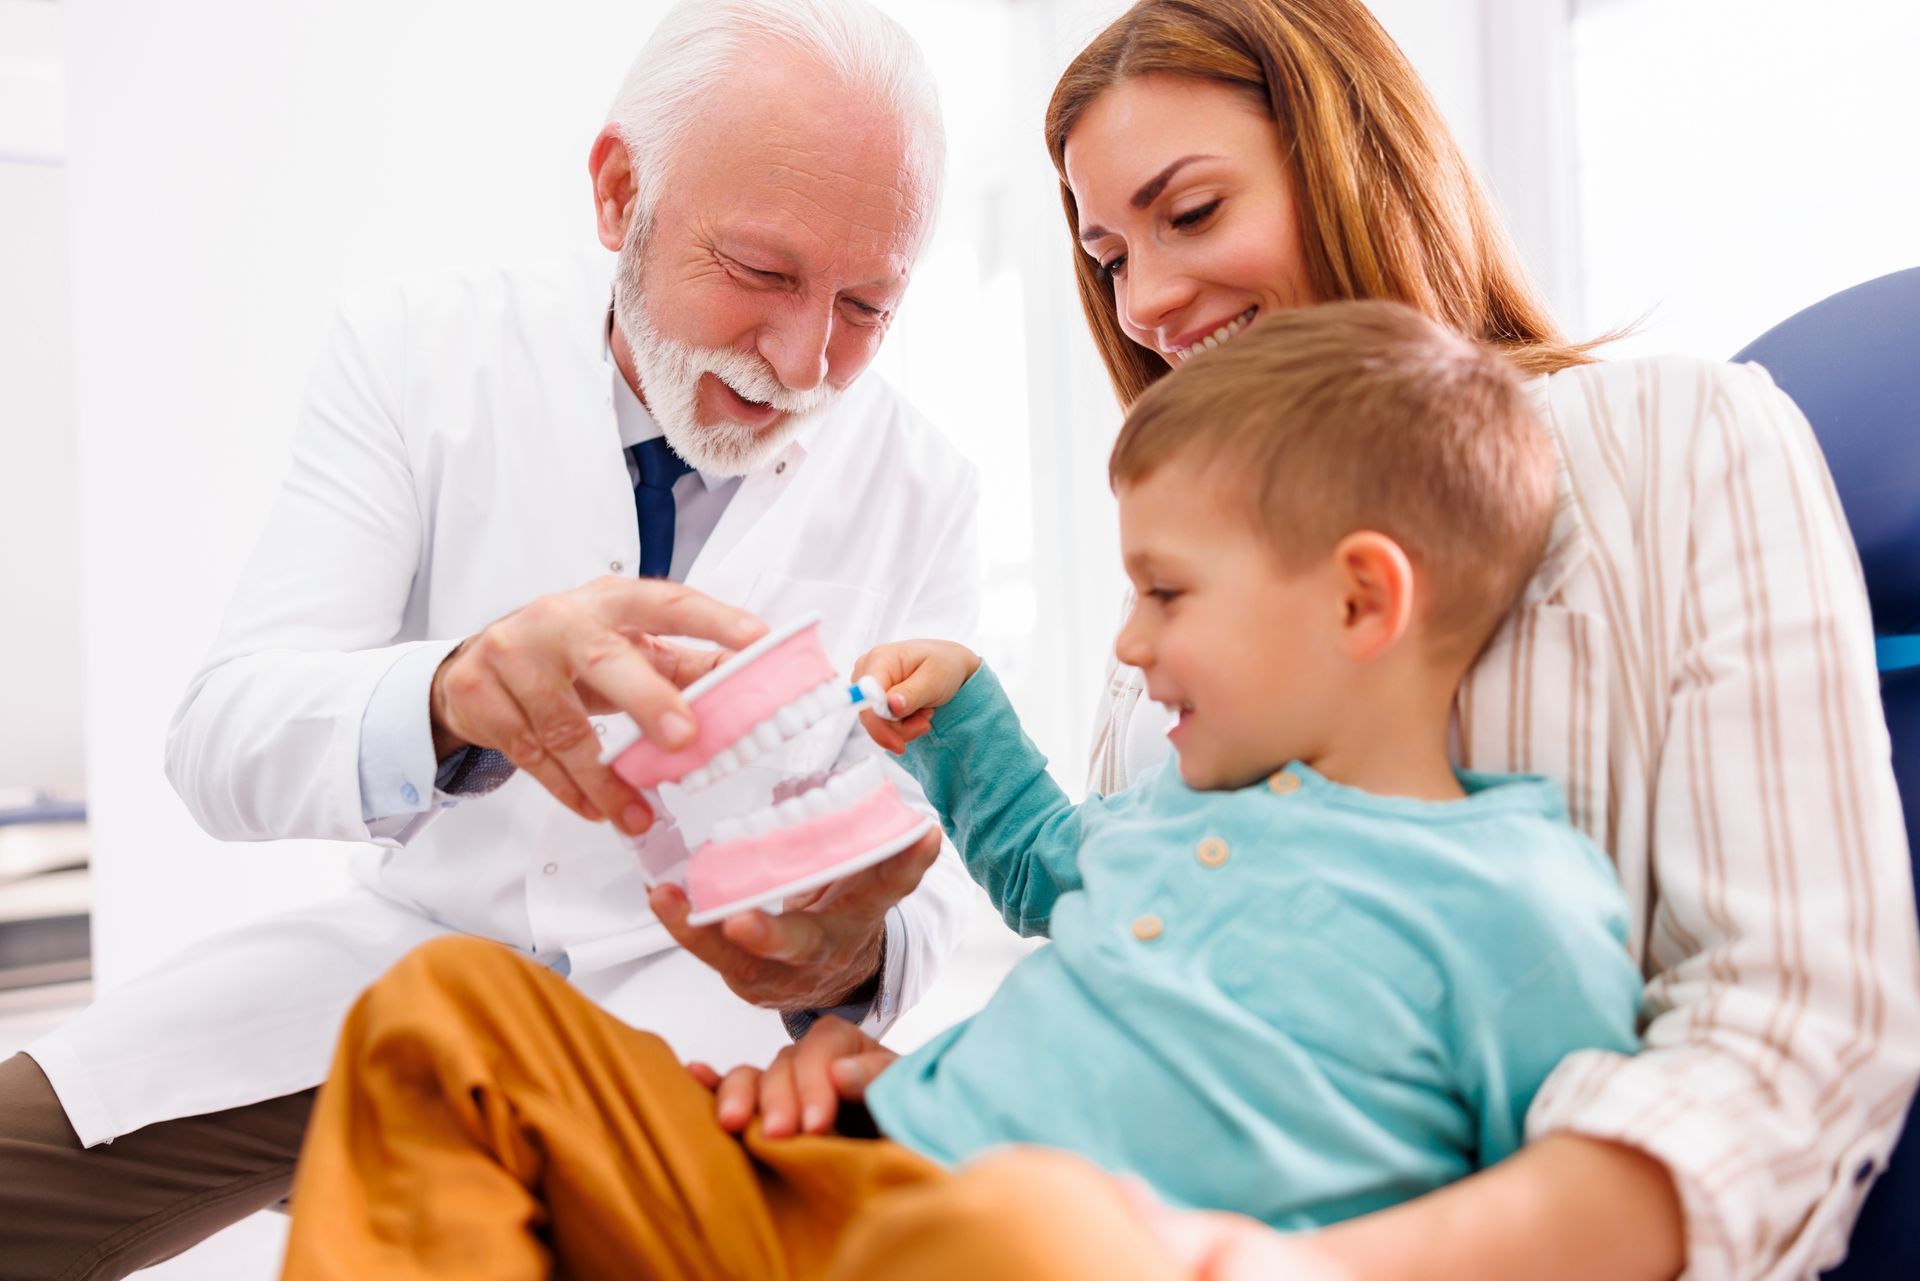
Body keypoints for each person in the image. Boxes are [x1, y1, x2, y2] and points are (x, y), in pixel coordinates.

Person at [275, 300, 1645, 1280]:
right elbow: (1046, 858)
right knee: (446, 1015)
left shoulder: (1516, 904)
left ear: (1361, 600)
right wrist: (966, 715)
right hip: (835, 1177)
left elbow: (1566, 1209)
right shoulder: (1176, 809)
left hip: (1032, 1248)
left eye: (1166, 593)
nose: (1128, 640)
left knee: (1030, 1231)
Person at [0, 3, 984, 1276]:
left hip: (693, 1052)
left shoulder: (923, 485)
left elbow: (935, 883)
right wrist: (453, 697)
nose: (804, 359)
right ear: (620, 191)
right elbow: (221, 738)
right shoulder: (421, 356)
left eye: (866, 305)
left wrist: (852, 958)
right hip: (373, 994)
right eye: (761, 273)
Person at [987, 2, 1916, 1278]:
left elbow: (1794, 1028)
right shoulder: (1155, 654)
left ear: (1351, 158)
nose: (1144, 300)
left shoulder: (1675, 438)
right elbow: (1135, 996)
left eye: (1191, 214)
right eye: (1106, 257)